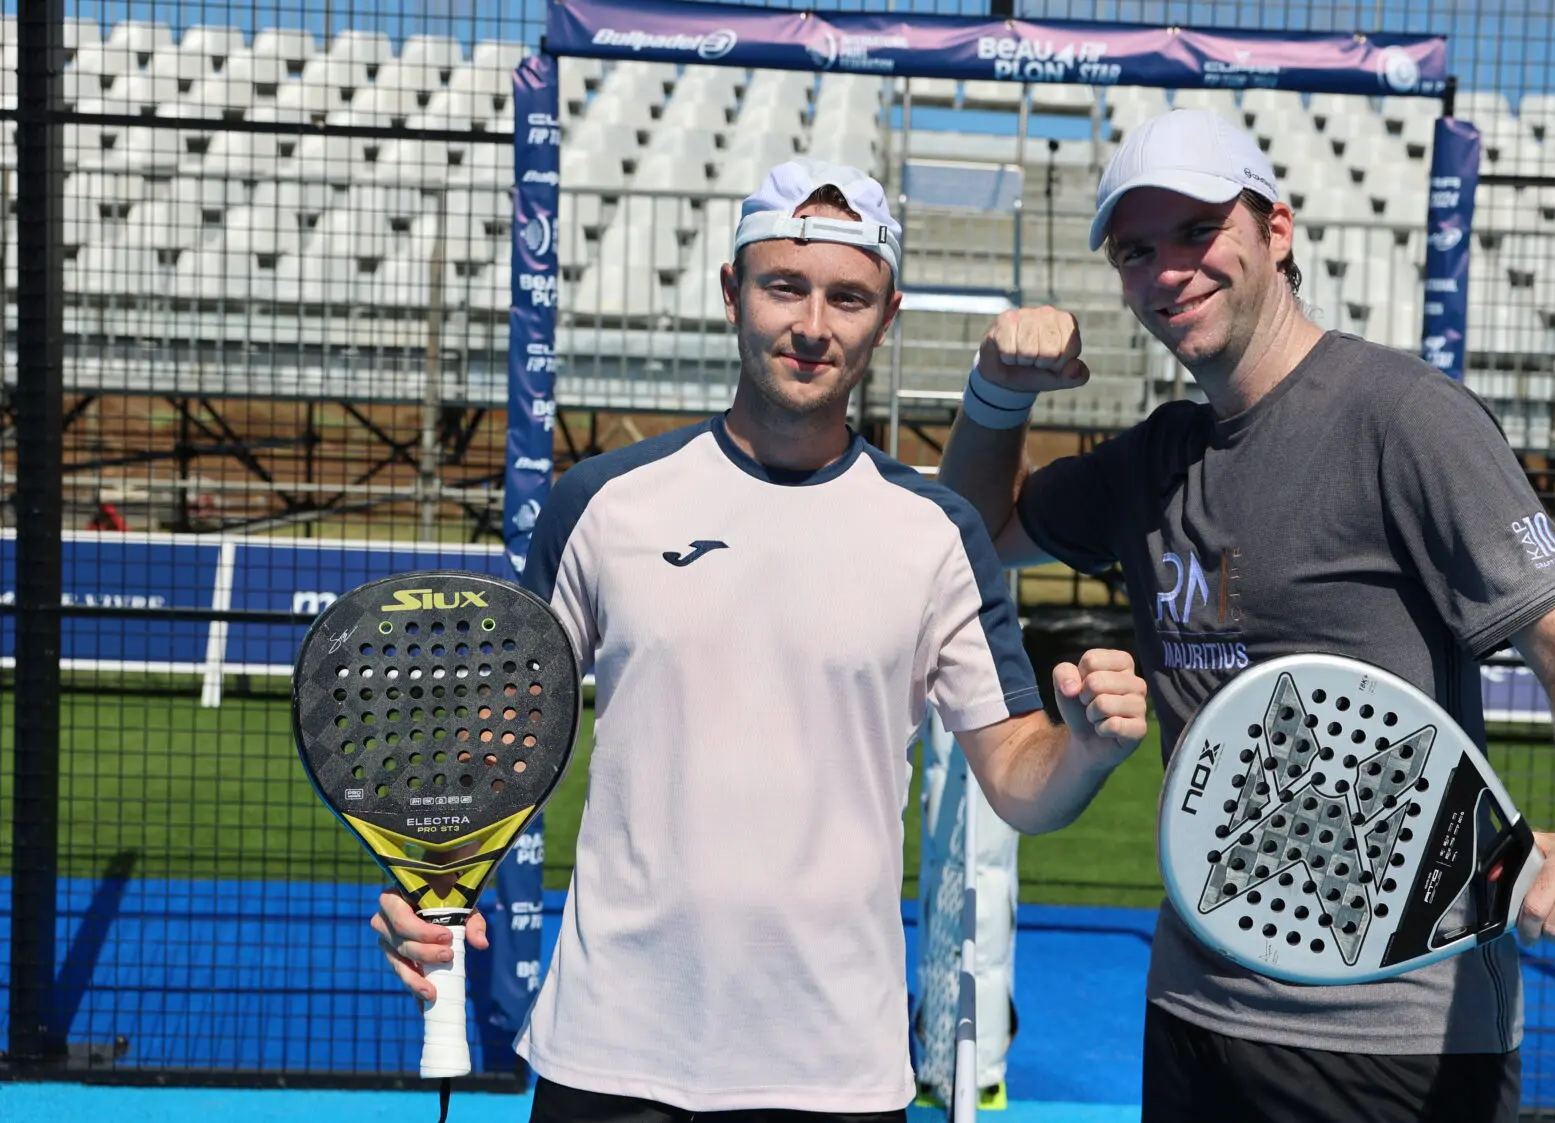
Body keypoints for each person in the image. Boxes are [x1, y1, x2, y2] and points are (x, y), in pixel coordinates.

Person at [372, 159, 1151, 1122]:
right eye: (784, 285)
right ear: (733, 291)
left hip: (833, 1066)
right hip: (612, 1050)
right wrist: (433, 880)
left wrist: (1083, 749)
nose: (813, 325)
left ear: (888, 312)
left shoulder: (939, 532)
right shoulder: (604, 503)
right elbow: (508, 731)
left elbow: (1018, 781)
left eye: (848, 297)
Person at [938, 109, 1555, 1122]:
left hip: (1395, 1038)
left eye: (1196, 231)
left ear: (1274, 232)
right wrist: (995, 394)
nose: (1167, 270)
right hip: (1194, 1006)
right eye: (1135, 250)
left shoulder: (1403, 417)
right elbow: (972, 534)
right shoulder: (1154, 458)